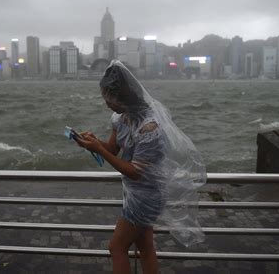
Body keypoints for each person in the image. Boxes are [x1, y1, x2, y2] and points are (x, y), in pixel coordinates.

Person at [76, 60, 206, 274]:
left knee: (116, 247)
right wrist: (92, 143)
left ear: (123, 96)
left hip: (148, 195)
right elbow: (112, 148)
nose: (106, 103)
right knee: (145, 246)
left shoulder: (150, 127)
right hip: (135, 192)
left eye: (109, 98)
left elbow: (135, 172)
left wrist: (99, 149)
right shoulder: (122, 117)